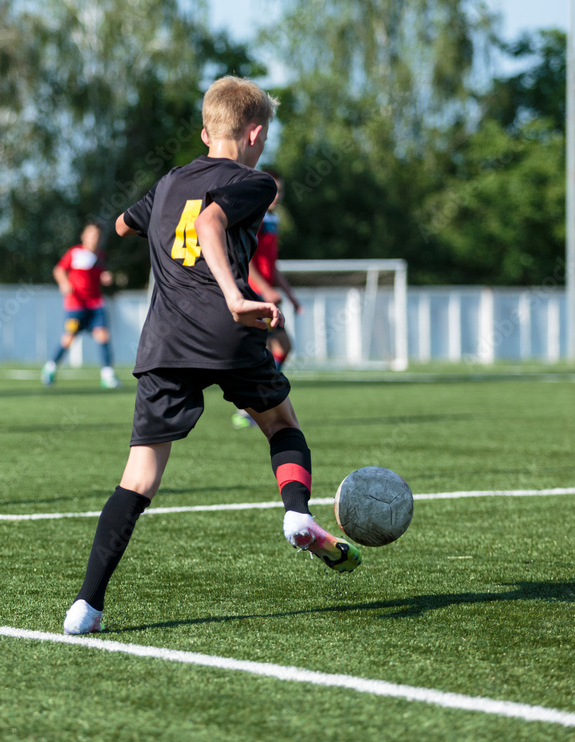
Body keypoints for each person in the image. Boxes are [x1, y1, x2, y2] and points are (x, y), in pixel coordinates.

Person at [63, 76, 361, 636]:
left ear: (205, 132)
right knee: (280, 425)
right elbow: (209, 221)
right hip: (226, 330)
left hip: (165, 342)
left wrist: (148, 221)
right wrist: (233, 295)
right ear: (256, 133)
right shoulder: (256, 182)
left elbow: (125, 224)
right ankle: (296, 513)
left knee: (138, 480)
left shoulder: (171, 180)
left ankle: (86, 607)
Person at [232, 168, 303, 430]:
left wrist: (289, 295)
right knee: (277, 347)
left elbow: (271, 265)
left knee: (276, 348)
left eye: (280, 190)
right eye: (272, 188)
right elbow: (247, 260)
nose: (276, 195)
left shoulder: (273, 220)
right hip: (253, 293)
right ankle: (248, 404)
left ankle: (250, 403)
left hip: (267, 294)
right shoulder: (255, 218)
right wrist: (264, 290)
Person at [41, 222, 120, 389]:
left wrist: (105, 278)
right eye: (91, 234)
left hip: (96, 304)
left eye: (97, 235)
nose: (94, 238)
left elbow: (99, 275)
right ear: (84, 236)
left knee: (103, 336)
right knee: (69, 338)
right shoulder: (74, 253)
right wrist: (64, 283)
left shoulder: (100, 256)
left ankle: (108, 375)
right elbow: (58, 270)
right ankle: (50, 368)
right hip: (76, 306)